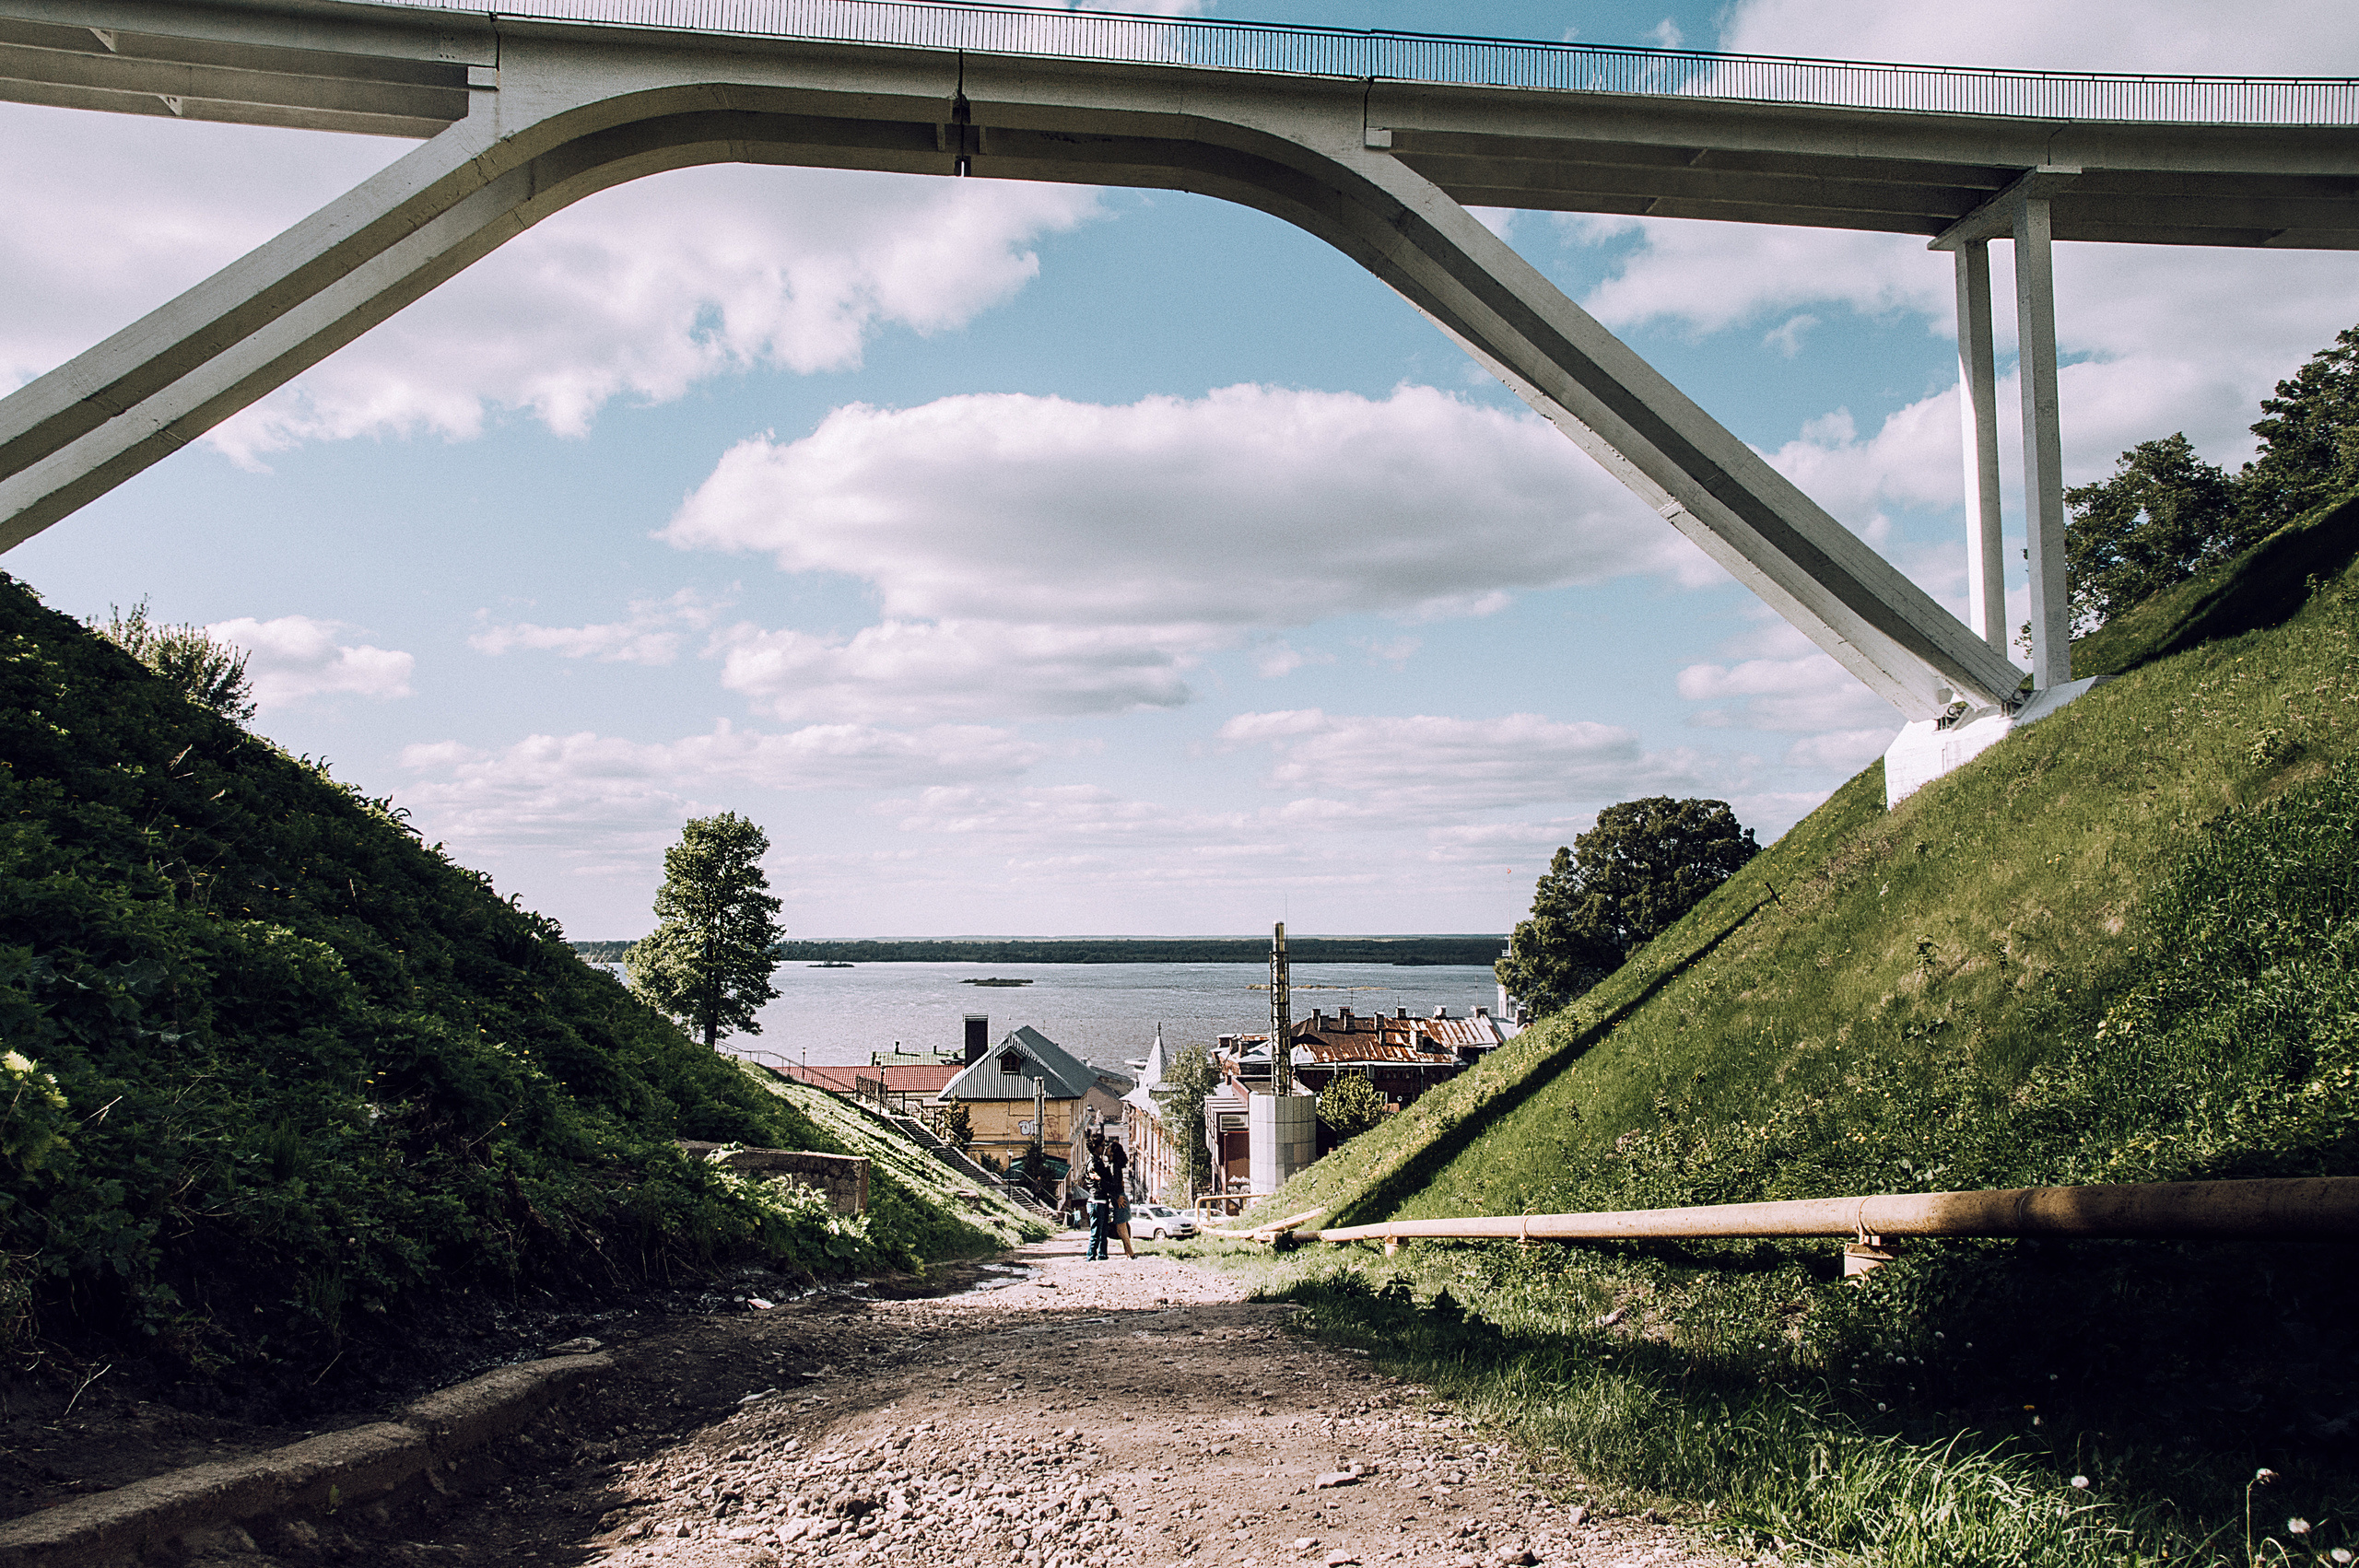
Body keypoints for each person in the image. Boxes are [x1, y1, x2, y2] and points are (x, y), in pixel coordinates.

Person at [1083, 1130, 1116, 1261]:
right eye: (1102, 1145)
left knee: (1103, 1232)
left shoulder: (1097, 1161)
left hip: (1100, 1200)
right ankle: (1091, 1257)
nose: (1103, 1148)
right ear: (1095, 1147)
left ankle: (1102, 1255)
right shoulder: (1094, 1163)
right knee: (1096, 1232)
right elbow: (1104, 1181)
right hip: (1097, 1201)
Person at [1106, 1133, 1136, 1259]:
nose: (1106, 1149)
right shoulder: (1115, 1166)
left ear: (1112, 1152)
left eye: (1108, 1148)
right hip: (1120, 1199)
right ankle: (1128, 1254)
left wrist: (1116, 1196)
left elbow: (1116, 1185)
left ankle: (1132, 1254)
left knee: (1121, 1230)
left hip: (1120, 1200)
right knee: (1121, 1230)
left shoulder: (1114, 1166)